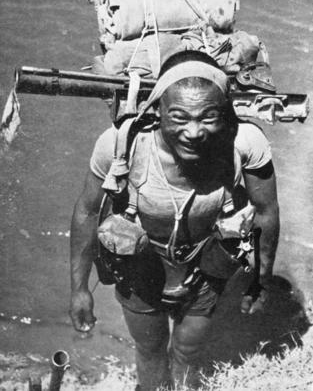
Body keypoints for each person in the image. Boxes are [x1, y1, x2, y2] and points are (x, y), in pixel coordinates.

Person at [69, 51, 280, 390]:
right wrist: (79, 289)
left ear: (225, 113)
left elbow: (266, 212)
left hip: (208, 266)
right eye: (179, 117)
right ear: (157, 110)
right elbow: (87, 212)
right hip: (139, 267)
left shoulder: (244, 143)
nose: (194, 132)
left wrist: (261, 280)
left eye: (209, 117)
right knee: (150, 351)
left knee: (188, 350)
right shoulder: (121, 144)